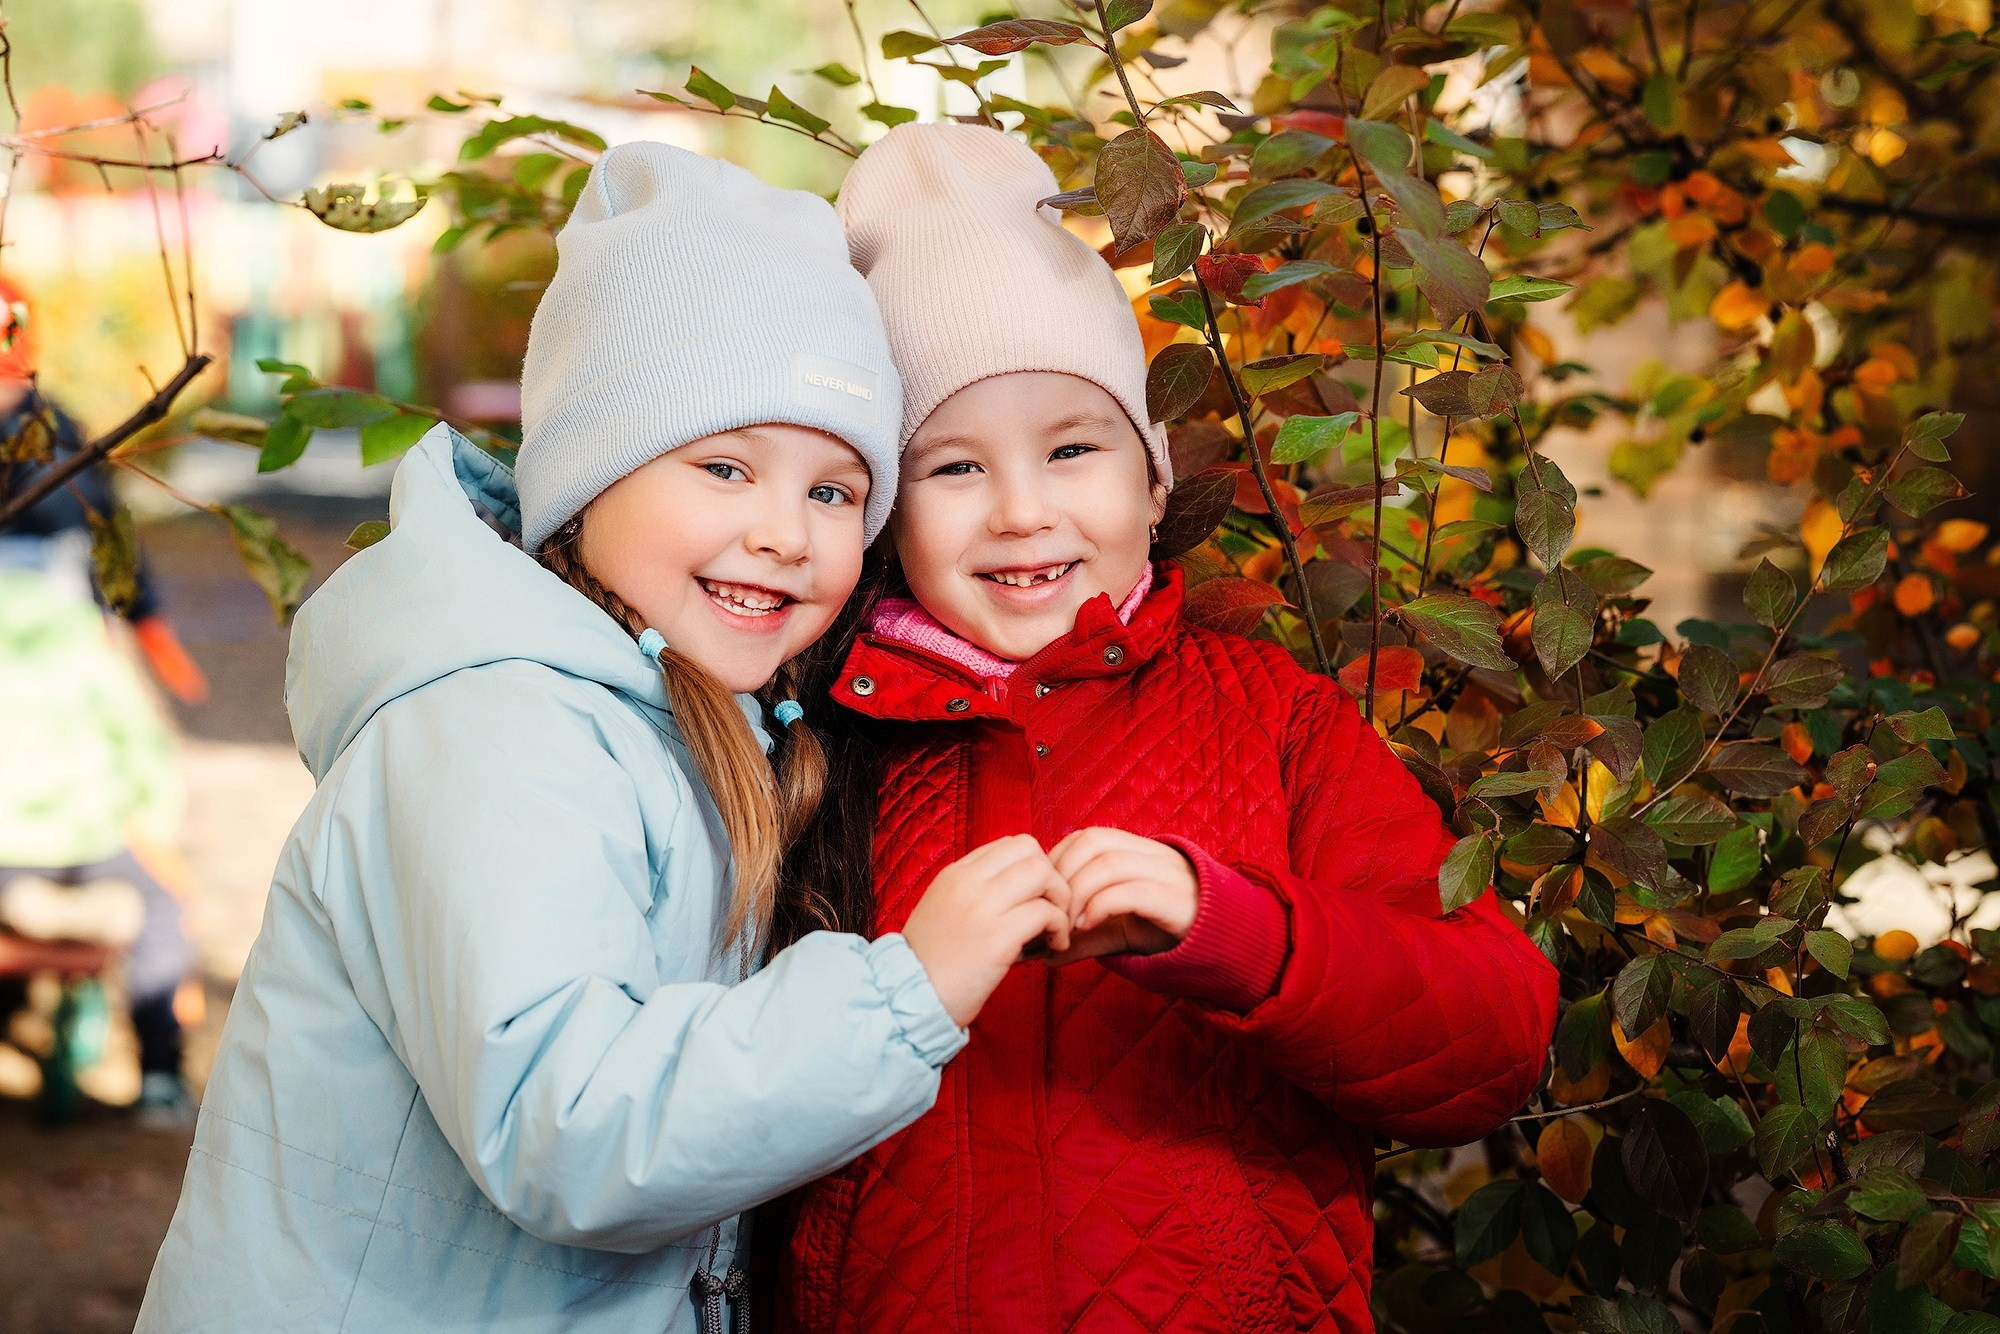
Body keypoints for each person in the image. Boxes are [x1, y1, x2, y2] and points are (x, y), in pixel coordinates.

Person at [139, 142, 1068, 1332]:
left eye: (833, 491)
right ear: (591, 473)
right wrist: (901, 996)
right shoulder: (499, 729)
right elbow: (565, 1125)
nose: (784, 531)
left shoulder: (682, 716)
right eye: (725, 465)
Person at [777, 123, 1561, 1332]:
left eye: (1073, 447)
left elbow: (1490, 1039)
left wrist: (1237, 930)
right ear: (887, 514)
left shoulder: (1274, 721)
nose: (1022, 511)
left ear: (1152, 479)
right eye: (951, 469)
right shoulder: (816, 744)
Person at [0, 275, 205, 1123]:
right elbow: (140, 749)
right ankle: (160, 1068)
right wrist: (156, 826)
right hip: (87, 832)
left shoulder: (56, 432)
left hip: (11, 844)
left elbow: (109, 533)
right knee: (161, 911)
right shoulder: (86, 653)